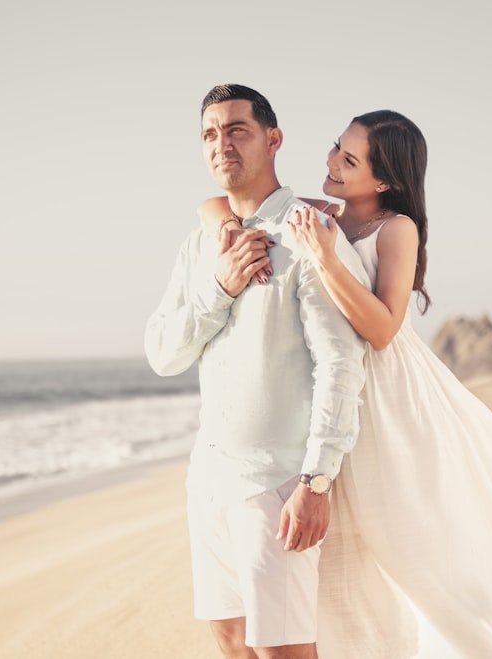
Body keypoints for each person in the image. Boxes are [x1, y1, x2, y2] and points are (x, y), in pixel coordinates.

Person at [198, 110, 492, 658]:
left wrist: (323, 258)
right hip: (340, 398)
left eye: (349, 159)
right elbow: (216, 203)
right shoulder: (323, 212)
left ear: (383, 180)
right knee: (348, 550)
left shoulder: (395, 228)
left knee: (418, 539)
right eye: (335, 148)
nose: (331, 162)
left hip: (390, 397)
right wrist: (226, 227)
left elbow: (384, 329)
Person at [144, 84, 373, 659]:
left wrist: (316, 480)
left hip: (276, 484)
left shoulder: (309, 237)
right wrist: (217, 287)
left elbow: (340, 364)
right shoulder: (199, 248)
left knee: (282, 651)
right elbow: (162, 353)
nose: (222, 144)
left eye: (237, 129)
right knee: (229, 640)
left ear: (274, 140)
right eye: (209, 134)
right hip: (210, 480)